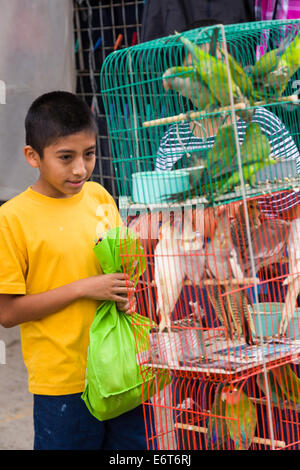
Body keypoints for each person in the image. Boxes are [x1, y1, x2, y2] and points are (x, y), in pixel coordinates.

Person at [0, 91, 154, 450]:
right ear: (32, 156)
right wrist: (84, 288)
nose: (80, 168)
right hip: (65, 383)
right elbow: (7, 313)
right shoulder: (13, 219)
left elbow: (121, 274)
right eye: (65, 157)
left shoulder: (100, 196)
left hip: (122, 371)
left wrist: (128, 294)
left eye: (89, 154)